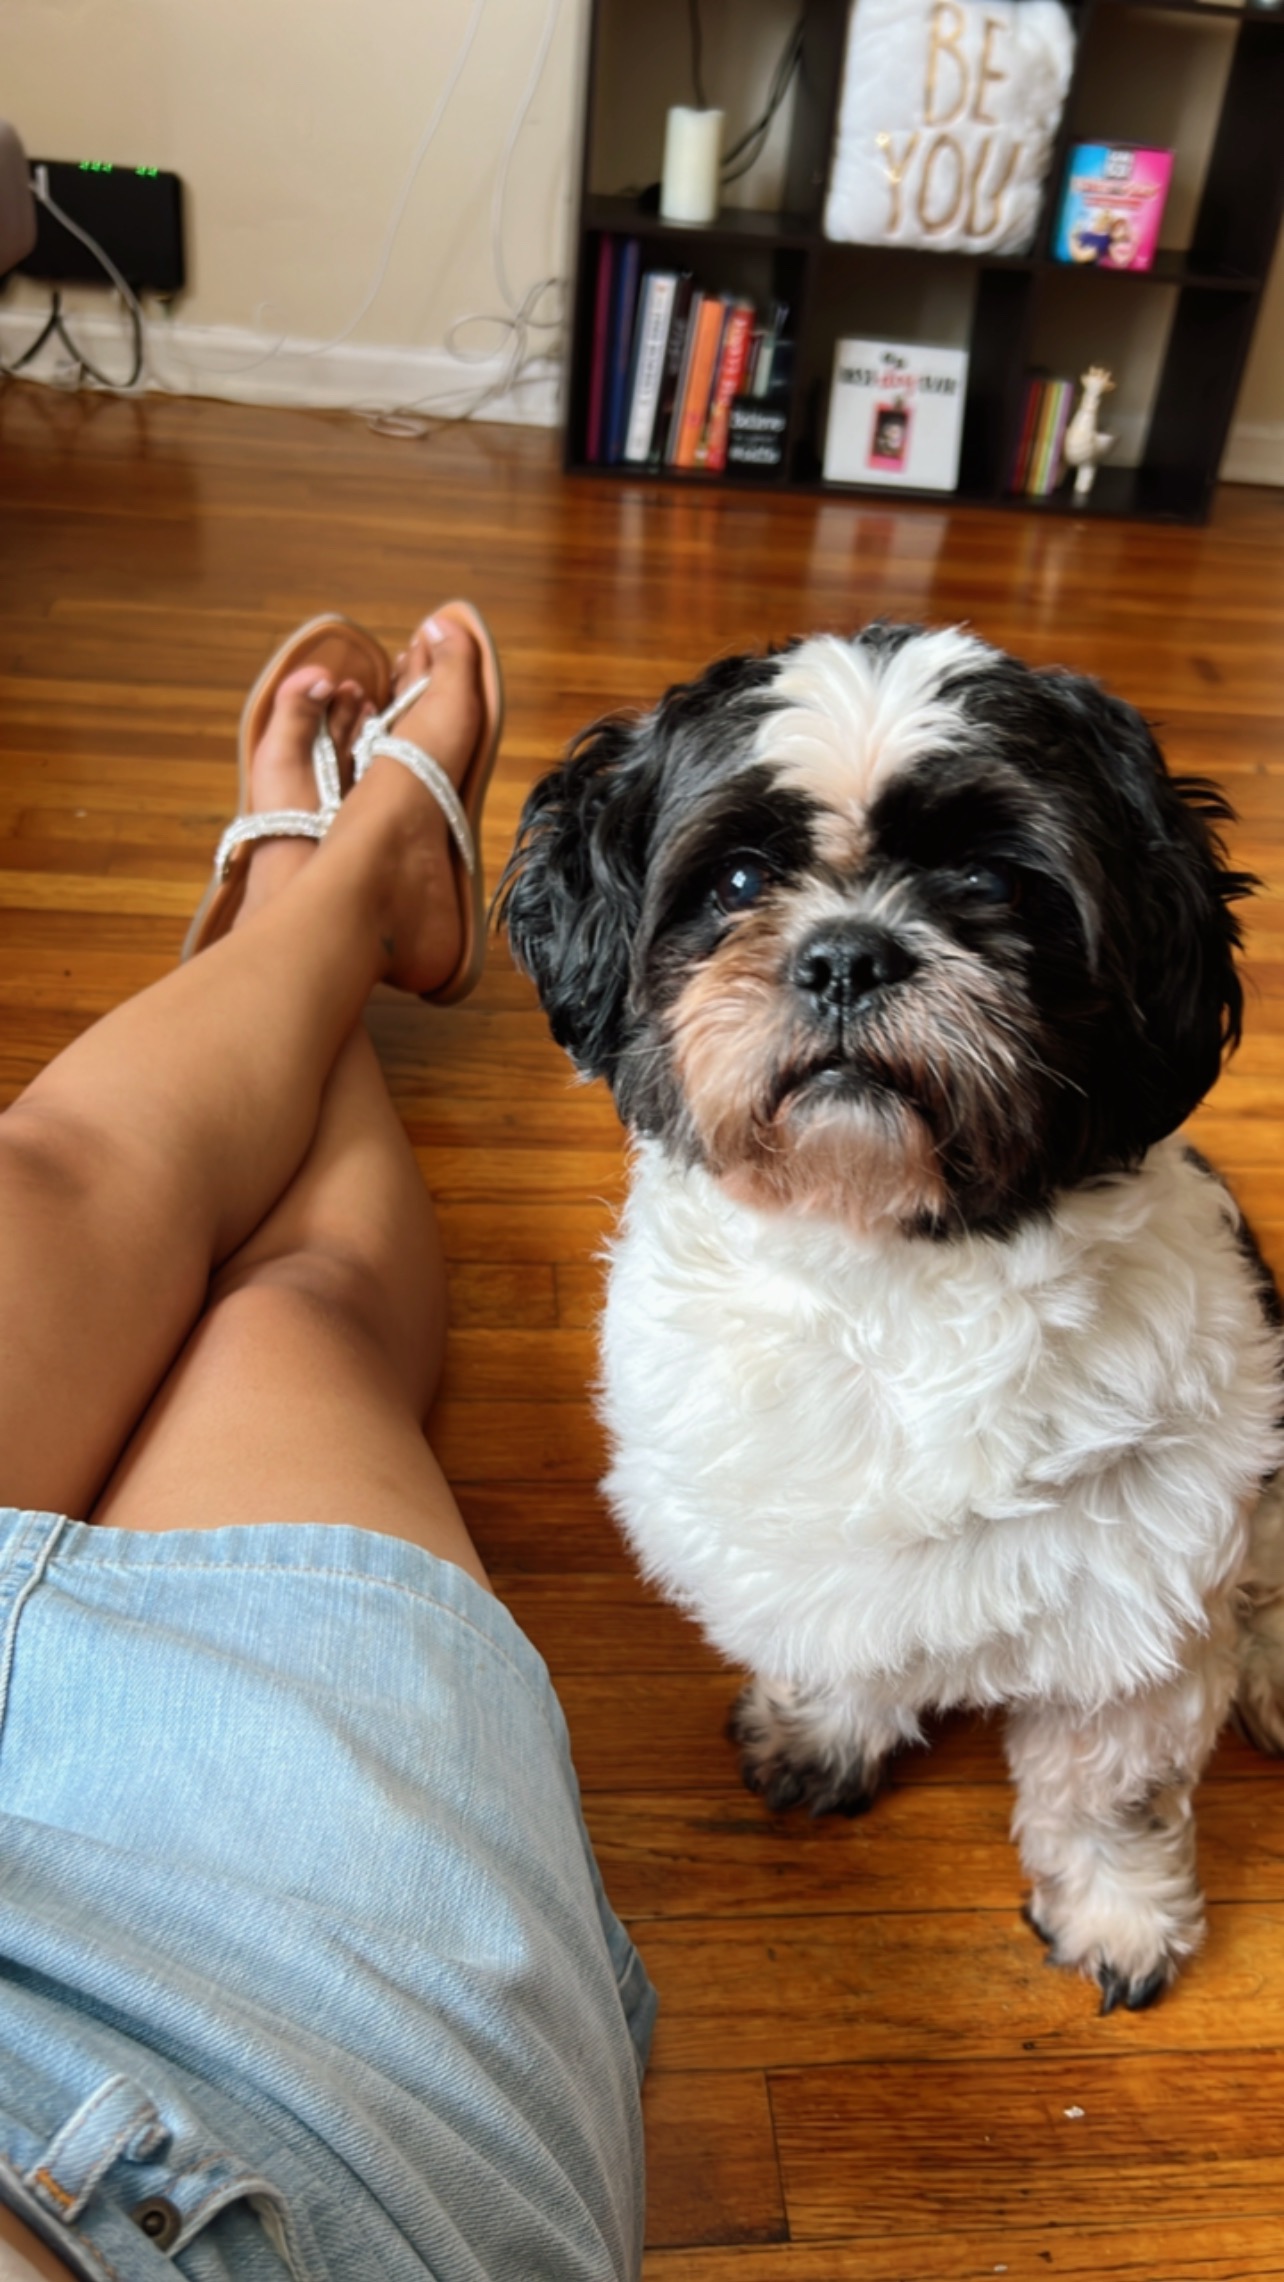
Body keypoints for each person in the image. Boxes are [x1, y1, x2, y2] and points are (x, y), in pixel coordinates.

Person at [0, 607, 654, 2282]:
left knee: (54, 1179)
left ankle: (306, 884)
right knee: (288, 1313)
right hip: (248, 2123)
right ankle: (350, 880)